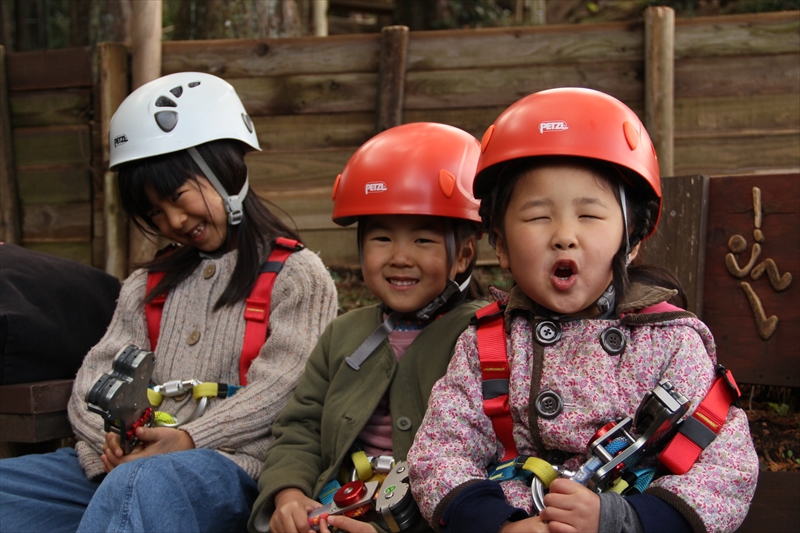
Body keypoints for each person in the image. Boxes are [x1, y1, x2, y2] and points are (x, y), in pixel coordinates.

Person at [407, 88, 759, 533]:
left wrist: (623, 519)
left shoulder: (669, 340)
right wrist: (497, 523)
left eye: (589, 216)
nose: (564, 236)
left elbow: (726, 467)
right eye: (538, 217)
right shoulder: (489, 343)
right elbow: (440, 449)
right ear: (500, 244)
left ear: (630, 240)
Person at [0, 72, 338, 533]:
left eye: (178, 196)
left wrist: (191, 437)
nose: (174, 220)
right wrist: (111, 440)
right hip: (126, 467)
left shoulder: (297, 277)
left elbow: (285, 389)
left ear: (228, 170)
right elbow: (95, 378)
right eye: (154, 211)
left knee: (142, 485)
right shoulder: (146, 286)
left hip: (233, 468)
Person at [249, 122, 491, 533]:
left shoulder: (484, 336)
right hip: (336, 505)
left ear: (464, 254)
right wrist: (289, 493)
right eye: (381, 238)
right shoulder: (343, 335)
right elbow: (301, 425)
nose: (399, 257)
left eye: (423, 241)